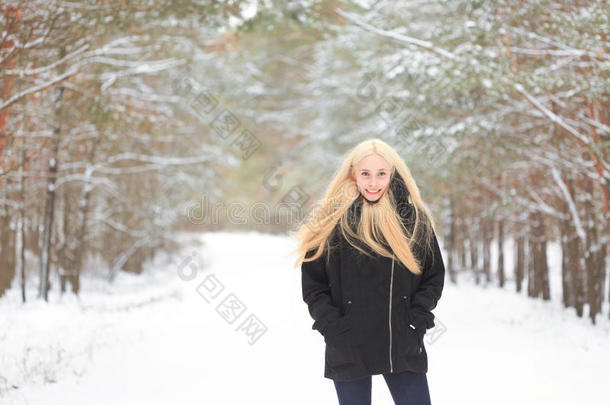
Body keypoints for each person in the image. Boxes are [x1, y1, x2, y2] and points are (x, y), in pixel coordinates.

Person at [292, 138, 445, 405]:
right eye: (365, 174)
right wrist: (332, 326)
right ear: (353, 174)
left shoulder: (413, 220)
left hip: (400, 341)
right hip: (348, 342)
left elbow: (433, 276)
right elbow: (314, 285)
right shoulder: (331, 220)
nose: (373, 183)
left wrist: (417, 319)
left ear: (392, 174)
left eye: (381, 174)